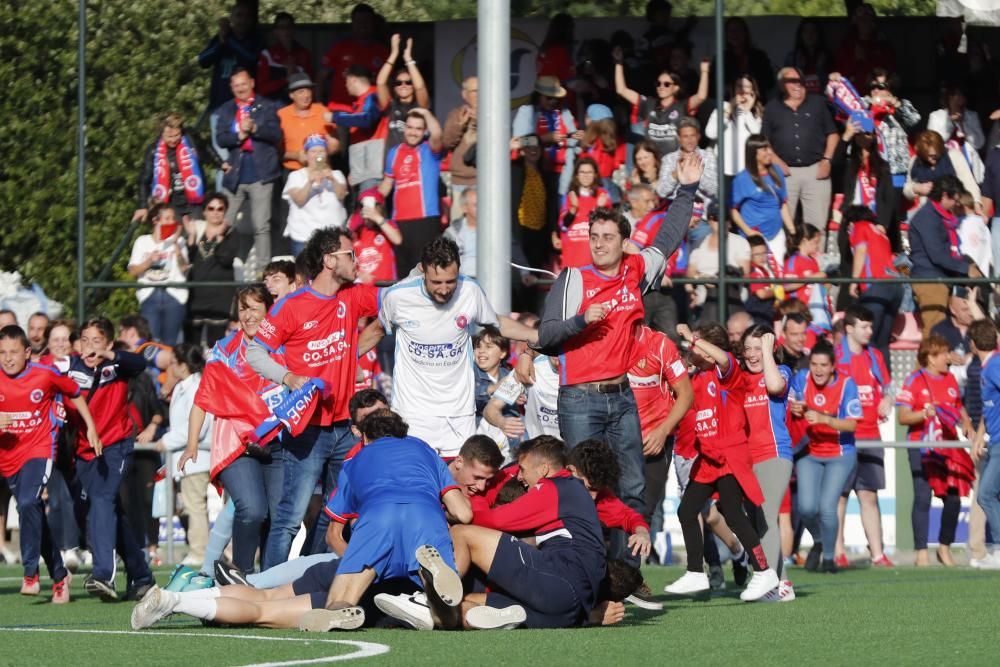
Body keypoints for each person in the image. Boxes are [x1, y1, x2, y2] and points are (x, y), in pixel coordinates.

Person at [132, 410, 472, 633]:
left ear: (364, 438)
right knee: (449, 619)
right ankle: (429, 594)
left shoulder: (358, 460)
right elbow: (465, 514)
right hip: (423, 528)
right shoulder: (426, 451)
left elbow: (334, 531)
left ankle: (340, 608)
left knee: (266, 603)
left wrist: (352, 559)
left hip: (361, 551)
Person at [518, 153, 704, 549]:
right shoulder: (572, 279)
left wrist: (686, 190)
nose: (599, 244)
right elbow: (547, 335)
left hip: (622, 397)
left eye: (607, 237)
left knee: (633, 486)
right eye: (594, 236)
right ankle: (591, 571)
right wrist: (581, 321)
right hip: (580, 399)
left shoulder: (635, 271)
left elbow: (668, 239)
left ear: (624, 242)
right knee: (586, 489)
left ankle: (624, 578)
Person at [246, 228, 381, 569]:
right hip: (306, 428)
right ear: (329, 260)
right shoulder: (291, 306)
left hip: (345, 428)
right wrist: (288, 377)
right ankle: (268, 587)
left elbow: (393, 302)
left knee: (333, 515)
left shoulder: (354, 295)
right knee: (290, 517)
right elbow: (255, 353)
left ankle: (306, 576)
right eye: (350, 255)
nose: (356, 260)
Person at [376, 237, 537, 457]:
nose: (443, 289)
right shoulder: (398, 296)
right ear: (423, 272)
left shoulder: (470, 290)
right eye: (436, 282)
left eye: (450, 282)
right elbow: (376, 330)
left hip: (459, 416)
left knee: (459, 482)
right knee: (416, 482)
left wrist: (538, 335)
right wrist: (350, 357)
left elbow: (497, 322)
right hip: (412, 414)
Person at [666, 322, 779, 600]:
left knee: (732, 512)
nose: (690, 351)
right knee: (686, 511)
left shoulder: (728, 374)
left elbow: (724, 358)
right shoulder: (697, 379)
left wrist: (693, 339)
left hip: (730, 454)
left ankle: (765, 572)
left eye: (696, 347)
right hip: (708, 457)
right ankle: (695, 572)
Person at [0, 325, 99, 603]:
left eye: (14, 352)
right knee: (32, 513)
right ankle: (59, 575)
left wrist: (90, 426)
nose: (8, 358)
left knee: (29, 503)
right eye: (2, 353)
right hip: (8, 458)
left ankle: (30, 573)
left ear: (28, 353)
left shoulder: (44, 374)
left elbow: (75, 392)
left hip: (39, 449)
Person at [67, 318, 155, 600]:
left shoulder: (118, 366)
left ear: (107, 343)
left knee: (103, 499)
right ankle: (141, 574)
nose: (89, 347)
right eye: (85, 340)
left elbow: (139, 364)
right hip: (83, 452)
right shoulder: (70, 369)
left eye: (96, 341)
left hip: (116, 445)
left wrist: (111, 355)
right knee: (107, 512)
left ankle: (104, 573)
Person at [897, 334, 975, 567]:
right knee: (922, 496)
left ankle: (944, 548)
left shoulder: (950, 379)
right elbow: (903, 416)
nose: (948, 359)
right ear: (931, 357)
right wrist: (923, 414)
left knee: (953, 499)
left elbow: (958, 408)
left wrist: (967, 423)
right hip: (921, 445)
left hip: (947, 446)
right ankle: (921, 552)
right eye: (944, 354)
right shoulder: (914, 380)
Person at [789, 340, 863, 573]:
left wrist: (825, 419)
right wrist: (794, 408)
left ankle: (829, 559)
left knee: (827, 508)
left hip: (840, 453)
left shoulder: (847, 385)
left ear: (833, 367)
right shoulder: (801, 378)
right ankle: (820, 540)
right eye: (814, 364)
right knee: (807, 508)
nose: (818, 370)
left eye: (823, 365)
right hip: (809, 452)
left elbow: (852, 425)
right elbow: (791, 402)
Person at [833, 306, 894, 568]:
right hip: (843, 437)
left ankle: (878, 554)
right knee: (840, 496)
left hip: (871, 435)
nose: (870, 331)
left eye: (871, 326)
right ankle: (837, 552)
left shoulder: (875, 356)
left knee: (869, 495)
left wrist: (888, 400)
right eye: (864, 326)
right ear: (849, 328)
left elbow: (888, 387)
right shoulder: (835, 356)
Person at [627, 324, 693, 560]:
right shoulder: (605, 341)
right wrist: (527, 353)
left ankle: (629, 578)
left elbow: (686, 393)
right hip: (619, 439)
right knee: (612, 510)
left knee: (643, 511)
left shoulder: (660, 344)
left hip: (655, 441)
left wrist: (662, 431)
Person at [742, 327, 796, 601]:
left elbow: (775, 386)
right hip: (746, 459)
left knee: (766, 516)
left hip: (775, 453)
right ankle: (779, 582)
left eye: (758, 347)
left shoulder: (781, 371)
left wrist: (767, 352)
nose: (752, 355)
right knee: (756, 523)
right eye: (748, 349)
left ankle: (778, 581)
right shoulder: (738, 378)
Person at [217, 67, 283, 277]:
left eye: (243, 84)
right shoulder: (226, 109)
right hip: (234, 174)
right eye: (236, 86)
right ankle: (218, 264)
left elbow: (276, 133)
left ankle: (264, 273)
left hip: (261, 174)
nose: (240, 89)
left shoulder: (267, 105)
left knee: (261, 225)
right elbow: (221, 138)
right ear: (231, 87)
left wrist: (255, 130)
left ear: (252, 83)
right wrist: (239, 134)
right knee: (222, 222)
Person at [762, 67, 838, 240]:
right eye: (792, 81)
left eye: (800, 80)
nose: (798, 85)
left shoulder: (818, 103)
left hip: (816, 170)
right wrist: (776, 161)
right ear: (782, 85)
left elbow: (833, 134)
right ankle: (788, 265)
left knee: (817, 227)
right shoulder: (772, 107)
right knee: (783, 226)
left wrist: (827, 160)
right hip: (785, 173)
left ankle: (815, 265)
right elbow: (764, 140)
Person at [157, 343, 212, 569]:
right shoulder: (183, 387)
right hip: (185, 458)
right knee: (189, 505)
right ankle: (199, 548)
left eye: (173, 363)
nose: (170, 367)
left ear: (182, 365)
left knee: (195, 505)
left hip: (197, 458)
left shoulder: (197, 386)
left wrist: (167, 441)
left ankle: (200, 551)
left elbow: (197, 424)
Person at [908, 175, 983, 336]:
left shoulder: (944, 217)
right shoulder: (927, 217)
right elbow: (937, 255)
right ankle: (927, 362)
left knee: (940, 335)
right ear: (943, 196)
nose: (957, 203)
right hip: (929, 281)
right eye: (954, 199)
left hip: (942, 279)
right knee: (934, 333)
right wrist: (965, 268)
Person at [378, 108, 445, 277]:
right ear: (404, 128)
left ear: (424, 132)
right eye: (410, 127)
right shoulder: (394, 152)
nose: (413, 132)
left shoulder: (430, 150)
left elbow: (437, 134)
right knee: (404, 272)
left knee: (427, 271)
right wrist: (369, 200)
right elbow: (386, 185)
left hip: (425, 220)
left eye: (418, 129)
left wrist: (426, 112)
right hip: (399, 221)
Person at [843, 205, 902, 368]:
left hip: (877, 286)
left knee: (869, 339)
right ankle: (885, 386)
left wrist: (853, 281)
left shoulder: (859, 226)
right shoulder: (881, 234)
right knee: (882, 343)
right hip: (895, 286)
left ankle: (868, 382)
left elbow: (861, 252)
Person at [127, 203, 189, 346]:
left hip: (174, 294)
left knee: (171, 343)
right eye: (167, 218)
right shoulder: (142, 242)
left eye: (173, 218)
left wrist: (176, 246)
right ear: (156, 220)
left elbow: (184, 268)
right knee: (151, 342)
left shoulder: (179, 241)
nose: (171, 222)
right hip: (150, 295)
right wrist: (149, 261)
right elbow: (132, 271)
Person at [731, 134, 796, 267]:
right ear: (754, 153)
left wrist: (792, 230)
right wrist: (749, 232)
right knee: (757, 279)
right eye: (764, 149)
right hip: (754, 239)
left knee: (777, 276)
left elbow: (782, 203)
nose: (770, 152)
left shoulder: (777, 172)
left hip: (776, 234)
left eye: (769, 148)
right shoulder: (742, 179)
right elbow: (733, 210)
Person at [184, 192, 238, 348]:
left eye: (220, 209)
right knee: (191, 347)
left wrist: (220, 236)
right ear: (204, 211)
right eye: (211, 208)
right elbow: (187, 259)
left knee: (216, 348)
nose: (215, 212)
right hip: (196, 297)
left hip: (219, 299)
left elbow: (226, 259)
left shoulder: (231, 233)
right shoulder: (198, 230)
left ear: (225, 211)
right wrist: (192, 236)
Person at [282, 134, 348, 257]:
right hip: (304, 239)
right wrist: (309, 182)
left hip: (333, 239)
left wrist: (332, 179)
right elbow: (299, 200)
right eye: (313, 151)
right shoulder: (295, 176)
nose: (318, 154)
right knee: (306, 275)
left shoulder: (337, 174)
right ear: (306, 155)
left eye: (321, 151)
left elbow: (342, 195)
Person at [512, 76, 580, 197]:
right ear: (538, 96)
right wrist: (544, 138)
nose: (553, 101)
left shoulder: (564, 113)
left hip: (564, 173)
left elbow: (573, 140)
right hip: (537, 172)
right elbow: (518, 142)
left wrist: (577, 137)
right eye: (549, 98)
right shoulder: (527, 112)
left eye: (556, 99)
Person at [135, 113, 206, 224]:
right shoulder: (153, 151)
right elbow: (143, 181)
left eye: (177, 135)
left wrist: (221, 164)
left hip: (193, 203)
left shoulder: (190, 141)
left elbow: (206, 149)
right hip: (169, 206)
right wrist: (143, 206)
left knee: (196, 235)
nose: (173, 140)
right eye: (169, 136)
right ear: (161, 134)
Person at [197, 0, 264, 113]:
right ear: (232, 18)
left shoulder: (257, 40)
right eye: (239, 15)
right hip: (219, 106)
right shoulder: (220, 39)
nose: (243, 20)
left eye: (247, 16)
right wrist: (220, 43)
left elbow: (252, 60)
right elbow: (202, 61)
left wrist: (229, 41)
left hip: (247, 107)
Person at [319, 3, 388, 107]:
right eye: (359, 21)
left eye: (367, 21)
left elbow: (390, 83)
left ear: (373, 23)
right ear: (353, 23)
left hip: (370, 111)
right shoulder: (340, 47)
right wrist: (319, 104)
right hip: (339, 109)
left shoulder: (382, 51)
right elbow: (321, 77)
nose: (363, 25)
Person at [971, 318, 1000, 568]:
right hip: (995, 442)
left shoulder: (994, 366)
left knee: (987, 494)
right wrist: (981, 434)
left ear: (972, 345)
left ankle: (999, 551)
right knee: (989, 494)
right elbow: (989, 407)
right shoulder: (989, 366)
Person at [376, 34, 430, 154]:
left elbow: (420, 87)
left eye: (408, 82)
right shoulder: (390, 105)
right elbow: (380, 82)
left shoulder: (419, 106)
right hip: (391, 164)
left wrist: (408, 60)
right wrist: (394, 54)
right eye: (398, 83)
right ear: (394, 87)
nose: (403, 85)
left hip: (415, 162)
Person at [706, 75, 764, 187]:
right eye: (739, 86)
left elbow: (758, 137)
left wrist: (747, 111)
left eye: (747, 86)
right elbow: (711, 133)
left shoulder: (755, 112)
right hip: (722, 170)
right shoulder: (723, 107)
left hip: (746, 170)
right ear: (733, 89)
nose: (743, 90)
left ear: (753, 90)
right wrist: (729, 110)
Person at [557, 157, 611, 269]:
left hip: (595, 259)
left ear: (595, 174)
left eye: (589, 172)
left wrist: (599, 207)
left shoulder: (602, 195)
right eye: (582, 172)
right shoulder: (570, 196)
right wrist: (573, 208)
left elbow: (608, 226)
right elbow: (563, 226)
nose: (586, 175)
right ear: (576, 175)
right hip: (573, 259)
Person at [904, 131, 980, 209]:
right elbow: (907, 188)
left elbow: (969, 182)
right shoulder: (915, 162)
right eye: (928, 156)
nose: (931, 159)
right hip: (928, 209)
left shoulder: (953, 156)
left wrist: (976, 204)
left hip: (955, 207)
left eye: (934, 155)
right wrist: (916, 188)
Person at [928, 83, 986, 183]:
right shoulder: (936, 116)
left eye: (961, 95)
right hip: (945, 166)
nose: (959, 99)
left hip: (969, 167)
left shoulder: (972, 116)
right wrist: (951, 122)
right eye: (956, 95)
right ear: (948, 98)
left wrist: (963, 124)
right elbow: (934, 142)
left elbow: (979, 143)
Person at [656, 117, 718, 204]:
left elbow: (713, 190)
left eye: (693, 136)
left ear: (698, 137)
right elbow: (662, 192)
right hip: (676, 211)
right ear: (679, 138)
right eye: (685, 136)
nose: (690, 141)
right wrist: (677, 172)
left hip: (702, 213)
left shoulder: (708, 157)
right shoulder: (668, 159)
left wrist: (695, 172)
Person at [833, 3, 896, 88]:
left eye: (869, 20)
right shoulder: (847, 45)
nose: (865, 24)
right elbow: (839, 73)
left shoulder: (883, 45)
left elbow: (889, 72)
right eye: (862, 20)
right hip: (852, 94)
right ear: (856, 22)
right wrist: (855, 60)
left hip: (877, 93)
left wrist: (867, 61)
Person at [443, 76, 479, 221]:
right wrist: (460, 124)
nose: (479, 95)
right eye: (475, 91)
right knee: (458, 232)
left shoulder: (494, 115)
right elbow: (447, 142)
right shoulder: (456, 114)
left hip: (485, 181)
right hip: (460, 183)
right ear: (465, 95)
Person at [256, 12, 313, 102]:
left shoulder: (303, 54)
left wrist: (296, 72)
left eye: (289, 27)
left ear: (294, 29)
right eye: (282, 27)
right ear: (275, 31)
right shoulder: (267, 54)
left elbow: (309, 84)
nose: (286, 31)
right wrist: (286, 80)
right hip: (273, 104)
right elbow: (262, 88)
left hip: (298, 104)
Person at [713, 17, 774, 99]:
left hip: (757, 102)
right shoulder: (721, 59)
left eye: (738, 30)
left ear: (745, 33)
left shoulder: (759, 56)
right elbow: (713, 87)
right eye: (731, 31)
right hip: (730, 103)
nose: (735, 34)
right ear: (726, 35)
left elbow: (770, 82)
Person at [783, 19, 832, 94]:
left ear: (819, 35)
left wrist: (820, 67)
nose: (810, 34)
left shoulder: (826, 56)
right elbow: (786, 84)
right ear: (801, 35)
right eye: (806, 31)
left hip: (821, 100)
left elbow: (829, 86)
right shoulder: (792, 58)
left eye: (813, 31)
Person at [444, 188, 478, 277]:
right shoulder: (452, 233)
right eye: (476, 205)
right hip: (463, 280)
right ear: (464, 208)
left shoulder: (494, 230)